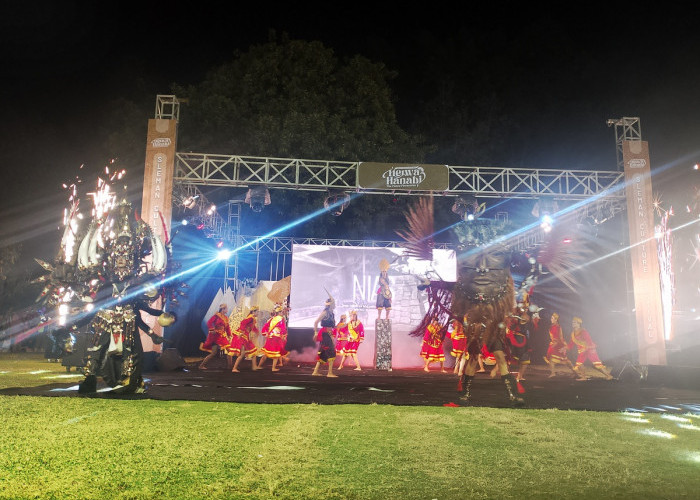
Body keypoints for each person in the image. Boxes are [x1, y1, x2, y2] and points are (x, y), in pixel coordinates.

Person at [543, 312, 581, 378]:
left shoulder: (558, 327)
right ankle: (553, 373)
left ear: (556, 320)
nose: (551, 319)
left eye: (552, 318)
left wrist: (562, 345)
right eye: (551, 318)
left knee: (566, 361)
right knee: (552, 359)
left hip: (559, 345)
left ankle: (576, 373)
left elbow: (560, 337)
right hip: (554, 344)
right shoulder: (552, 326)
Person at [199, 303, 235, 370]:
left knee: (229, 350)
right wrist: (212, 329)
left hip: (222, 336)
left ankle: (230, 366)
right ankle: (201, 365)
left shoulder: (226, 318)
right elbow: (209, 322)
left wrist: (229, 335)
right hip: (216, 336)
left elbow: (227, 327)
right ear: (223, 309)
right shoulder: (216, 316)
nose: (227, 310)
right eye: (226, 308)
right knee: (214, 353)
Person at [312, 296, 338, 377]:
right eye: (334, 303)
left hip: (329, 334)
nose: (335, 305)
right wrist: (316, 333)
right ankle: (329, 373)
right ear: (330, 305)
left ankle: (315, 372)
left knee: (323, 353)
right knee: (331, 352)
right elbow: (316, 322)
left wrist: (342, 325)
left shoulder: (331, 314)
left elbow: (333, 326)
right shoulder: (325, 313)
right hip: (325, 334)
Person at [257, 304, 287, 372]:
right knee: (276, 353)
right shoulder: (281, 319)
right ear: (279, 312)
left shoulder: (272, 319)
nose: (282, 313)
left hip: (270, 337)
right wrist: (284, 335)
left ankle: (259, 366)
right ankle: (273, 368)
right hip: (276, 338)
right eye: (281, 312)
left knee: (266, 352)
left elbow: (265, 326)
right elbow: (283, 328)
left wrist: (266, 333)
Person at [231, 306, 260, 372]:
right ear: (253, 312)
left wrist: (257, 332)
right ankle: (234, 368)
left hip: (245, 337)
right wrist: (242, 332)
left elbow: (252, 327)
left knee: (253, 351)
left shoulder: (252, 318)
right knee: (242, 354)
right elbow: (242, 323)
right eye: (257, 311)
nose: (258, 313)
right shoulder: (250, 318)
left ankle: (254, 367)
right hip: (242, 337)